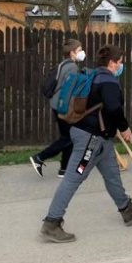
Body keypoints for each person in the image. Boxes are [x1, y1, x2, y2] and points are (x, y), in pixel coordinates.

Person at [40, 45, 132, 241]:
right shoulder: (107, 80)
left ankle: (126, 209)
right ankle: (52, 222)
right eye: (120, 62)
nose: (121, 65)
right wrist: (124, 128)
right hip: (90, 140)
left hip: (101, 139)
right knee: (73, 178)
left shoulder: (95, 76)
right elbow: (113, 109)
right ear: (111, 63)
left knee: (112, 174)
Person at [30, 39, 87, 178]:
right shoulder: (72, 67)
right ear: (72, 52)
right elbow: (69, 90)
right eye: (79, 50)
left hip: (57, 104)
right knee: (69, 138)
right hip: (63, 106)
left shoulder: (64, 64)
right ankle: (40, 157)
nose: (82, 53)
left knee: (67, 136)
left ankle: (64, 169)